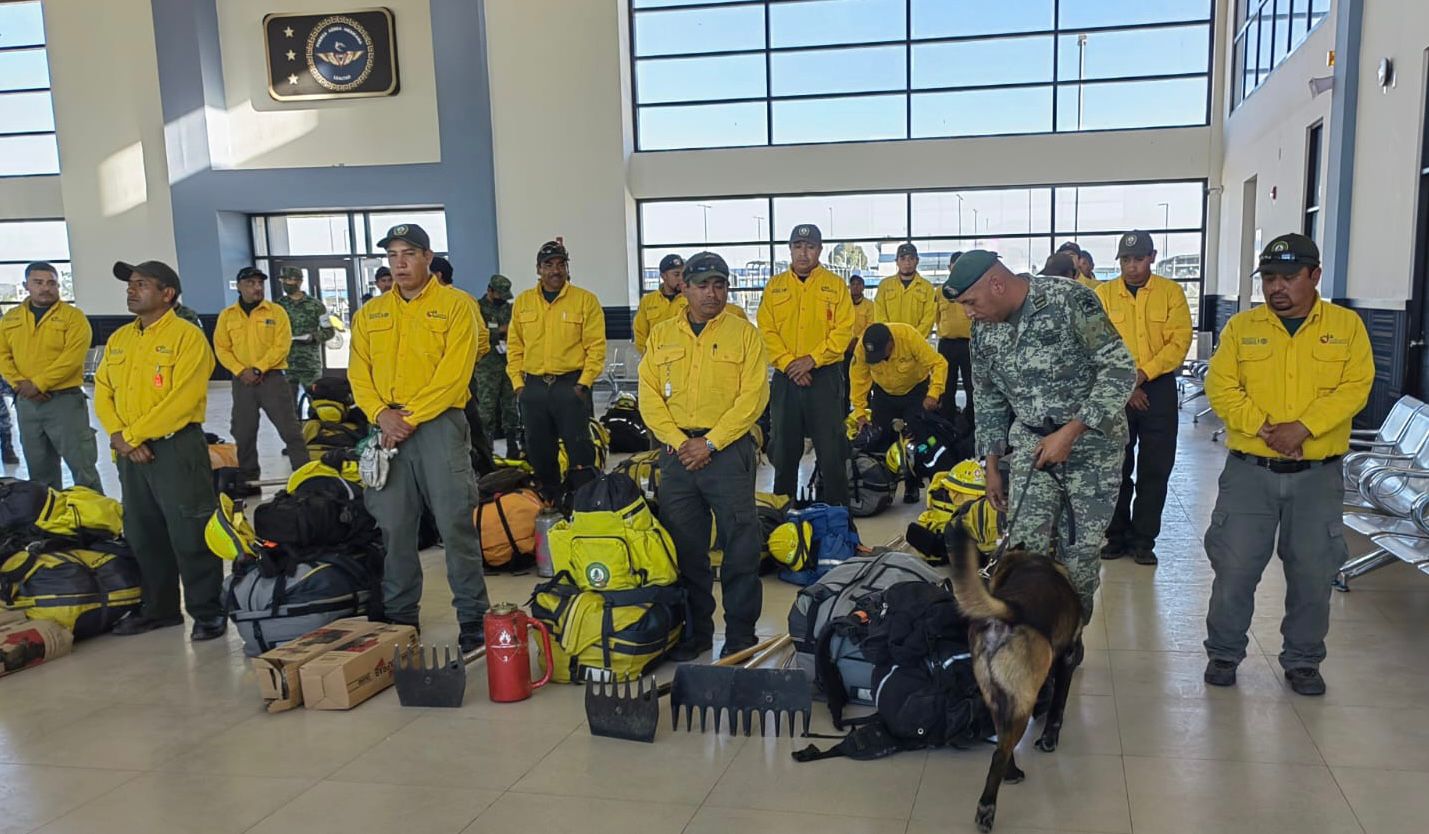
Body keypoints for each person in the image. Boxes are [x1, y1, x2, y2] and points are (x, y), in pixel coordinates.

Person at [1202, 233, 1373, 697]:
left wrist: (1304, 427)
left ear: (1314, 276)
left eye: (1288, 277)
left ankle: (1302, 660)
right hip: (1249, 473)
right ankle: (1223, 651)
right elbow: (1221, 386)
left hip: (1317, 476)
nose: (1276, 288)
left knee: (1313, 573)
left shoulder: (1346, 326)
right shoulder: (1242, 328)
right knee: (1234, 567)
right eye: (1269, 278)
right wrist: (1265, 428)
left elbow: (1356, 386)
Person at [946, 250, 1135, 622]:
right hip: (1032, 449)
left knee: (1078, 558)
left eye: (970, 301)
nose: (968, 312)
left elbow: (1120, 369)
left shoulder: (1070, 301)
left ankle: (1068, 641)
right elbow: (988, 398)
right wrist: (992, 464)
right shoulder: (984, 328)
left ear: (997, 284)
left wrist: (1072, 431)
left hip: (1092, 450)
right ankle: (1029, 635)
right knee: (1024, 554)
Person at [349, 223, 489, 652]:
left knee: (455, 525)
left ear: (428, 257)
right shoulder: (370, 314)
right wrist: (380, 414)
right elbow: (359, 373)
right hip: (386, 430)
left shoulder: (456, 307)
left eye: (409, 253)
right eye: (392, 255)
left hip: (438, 428)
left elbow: (454, 375)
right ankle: (401, 619)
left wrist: (407, 418)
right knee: (395, 529)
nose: (400, 262)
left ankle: (472, 619)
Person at [639, 252, 769, 660]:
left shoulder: (745, 334)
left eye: (720, 285)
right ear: (685, 287)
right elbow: (649, 396)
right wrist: (680, 443)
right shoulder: (662, 335)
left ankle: (741, 636)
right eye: (702, 285)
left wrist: (710, 442)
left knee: (741, 549)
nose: (712, 293)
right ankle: (696, 634)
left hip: (728, 454)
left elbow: (753, 398)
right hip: (678, 456)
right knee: (687, 550)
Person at [96, 260, 225, 640]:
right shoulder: (120, 339)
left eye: (142, 284)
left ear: (167, 293)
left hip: (175, 447)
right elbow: (103, 390)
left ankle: (207, 611)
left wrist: (135, 435)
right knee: (143, 530)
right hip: (130, 451)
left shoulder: (187, 337)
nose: (131, 290)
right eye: (130, 284)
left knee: (191, 530)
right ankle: (160, 608)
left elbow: (182, 399)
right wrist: (121, 435)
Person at [1095, 231, 1193, 566]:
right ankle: (1116, 535)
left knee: (1155, 468)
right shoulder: (1104, 295)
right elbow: (1100, 343)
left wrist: (1144, 374)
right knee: (1116, 467)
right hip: (1115, 388)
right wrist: (1128, 383)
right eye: (1125, 260)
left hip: (1159, 389)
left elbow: (1179, 342)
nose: (1132, 266)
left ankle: (1143, 539)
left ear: (1152, 257)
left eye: (1138, 259)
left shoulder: (1170, 293)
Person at [759, 224, 854, 504]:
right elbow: (766, 331)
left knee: (832, 453)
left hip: (824, 378)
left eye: (810, 247)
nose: (804, 253)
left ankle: (838, 520)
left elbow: (843, 330)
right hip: (787, 380)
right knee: (784, 452)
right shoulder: (775, 287)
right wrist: (791, 364)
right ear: (790, 249)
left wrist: (812, 360)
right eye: (798, 247)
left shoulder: (835, 286)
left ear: (819, 250)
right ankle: (783, 519)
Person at [507, 240, 606, 501]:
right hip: (534, 387)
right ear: (538, 269)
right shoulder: (523, 302)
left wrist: (582, 386)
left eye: (561, 264)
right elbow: (515, 346)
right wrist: (519, 385)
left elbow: (596, 348)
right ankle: (549, 501)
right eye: (548, 265)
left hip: (570, 386)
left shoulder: (585, 301)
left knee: (580, 451)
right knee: (539, 451)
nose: (555, 270)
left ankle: (583, 501)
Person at [0, 261, 101, 489]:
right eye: (38, 282)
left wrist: (38, 384)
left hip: (64, 402)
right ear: (26, 285)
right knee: (39, 473)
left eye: (51, 283)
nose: (46, 288)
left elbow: (72, 357)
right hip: (26, 403)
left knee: (83, 469)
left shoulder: (73, 317)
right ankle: (49, 521)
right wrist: (19, 384)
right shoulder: (11, 318)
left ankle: (95, 522)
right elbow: (2, 355)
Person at [213, 267, 310, 486]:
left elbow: (281, 345)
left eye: (260, 283)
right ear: (239, 286)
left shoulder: (276, 312)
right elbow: (221, 348)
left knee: (291, 430)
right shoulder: (227, 316)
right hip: (242, 382)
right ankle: (248, 479)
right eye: (251, 283)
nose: (257, 288)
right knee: (243, 432)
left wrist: (258, 368)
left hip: (272, 379)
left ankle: (306, 478)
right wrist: (240, 370)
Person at [850, 322, 947, 503]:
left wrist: (933, 394)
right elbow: (858, 380)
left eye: (882, 353)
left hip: (915, 390)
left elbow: (939, 363)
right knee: (882, 437)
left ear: (891, 343)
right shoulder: (862, 348)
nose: (879, 359)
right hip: (884, 393)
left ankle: (912, 484)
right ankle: (885, 487)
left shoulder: (908, 337)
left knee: (915, 440)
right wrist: (860, 414)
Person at [431, 256, 494, 462]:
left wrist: (462, 365)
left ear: (438, 275)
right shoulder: (424, 302)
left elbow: (482, 339)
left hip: (458, 381)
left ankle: (484, 473)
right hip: (436, 381)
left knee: (467, 426)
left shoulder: (458, 300)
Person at [477, 274, 522, 458]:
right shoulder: (478, 308)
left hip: (508, 363)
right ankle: (486, 450)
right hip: (487, 367)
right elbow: (477, 333)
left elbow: (517, 330)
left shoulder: (509, 309)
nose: (503, 299)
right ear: (490, 290)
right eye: (500, 295)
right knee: (487, 410)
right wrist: (499, 331)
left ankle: (513, 446)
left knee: (510, 407)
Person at [276, 268, 333, 412]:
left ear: (299, 281)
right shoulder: (277, 306)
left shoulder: (316, 305)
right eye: (283, 280)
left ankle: (314, 431)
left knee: (316, 405)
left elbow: (329, 331)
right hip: (286, 364)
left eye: (289, 280)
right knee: (289, 408)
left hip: (310, 365)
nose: (286, 283)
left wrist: (313, 337)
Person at [936, 251, 973, 426]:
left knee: (971, 385)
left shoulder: (973, 288)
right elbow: (935, 317)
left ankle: (970, 421)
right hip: (947, 344)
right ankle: (947, 421)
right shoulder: (941, 291)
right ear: (949, 267)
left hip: (969, 344)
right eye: (955, 264)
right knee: (946, 386)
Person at [873, 243, 937, 338]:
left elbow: (929, 319)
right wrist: (890, 337)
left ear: (917, 261)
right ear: (897, 262)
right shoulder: (884, 286)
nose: (907, 263)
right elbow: (879, 315)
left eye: (911, 258)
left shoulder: (927, 288)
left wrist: (912, 339)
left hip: (916, 344)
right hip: (890, 344)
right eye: (903, 259)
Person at [633, 254, 686, 354]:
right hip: (655, 358)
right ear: (663, 276)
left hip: (683, 358)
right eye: (676, 274)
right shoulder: (648, 301)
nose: (681, 279)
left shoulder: (690, 300)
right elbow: (640, 333)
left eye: (683, 274)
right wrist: (647, 355)